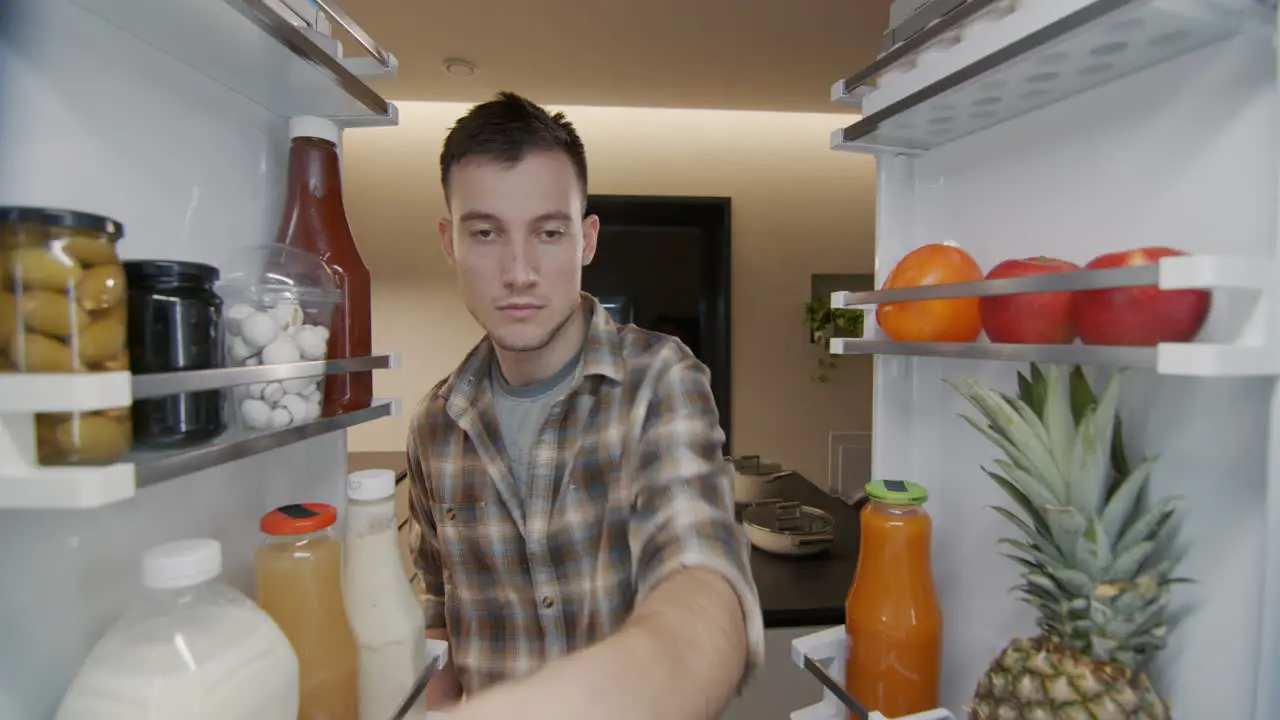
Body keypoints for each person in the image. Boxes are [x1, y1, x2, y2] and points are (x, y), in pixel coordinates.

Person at [405, 91, 764, 720]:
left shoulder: (659, 379)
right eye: (486, 233)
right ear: (449, 242)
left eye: (548, 232)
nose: (519, 271)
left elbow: (703, 590)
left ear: (587, 238)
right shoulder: (435, 424)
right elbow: (439, 613)